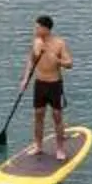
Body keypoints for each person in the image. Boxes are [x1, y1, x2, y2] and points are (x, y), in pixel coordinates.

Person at [20, 14, 73, 158]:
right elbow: (31, 61)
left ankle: (60, 149)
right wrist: (25, 79)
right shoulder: (36, 42)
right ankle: (38, 146)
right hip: (40, 84)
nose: (35, 30)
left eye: (37, 27)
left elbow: (69, 63)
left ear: (46, 29)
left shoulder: (59, 43)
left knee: (57, 116)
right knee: (38, 115)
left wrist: (58, 61)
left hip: (54, 84)